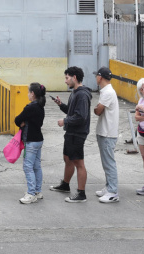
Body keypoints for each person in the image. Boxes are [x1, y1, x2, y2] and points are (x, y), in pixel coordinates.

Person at [50, 66, 92, 203]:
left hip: (78, 133)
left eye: (67, 78)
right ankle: (65, 185)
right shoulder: (75, 92)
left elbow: (81, 116)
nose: (65, 81)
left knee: (78, 162)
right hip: (71, 132)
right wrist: (61, 105)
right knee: (67, 158)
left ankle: (81, 193)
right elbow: (72, 111)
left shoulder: (82, 95)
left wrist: (65, 121)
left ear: (74, 77)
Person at [15, 82, 46, 204]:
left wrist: (23, 123)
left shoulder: (30, 107)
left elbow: (17, 119)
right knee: (36, 166)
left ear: (32, 94)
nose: (27, 94)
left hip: (31, 141)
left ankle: (31, 193)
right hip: (38, 140)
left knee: (28, 166)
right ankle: (37, 191)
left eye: (29, 92)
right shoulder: (40, 106)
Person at [93, 67, 120, 203]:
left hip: (107, 133)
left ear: (100, 77)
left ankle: (113, 191)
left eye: (96, 76)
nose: (96, 78)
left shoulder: (108, 92)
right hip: (105, 131)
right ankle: (109, 186)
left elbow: (98, 111)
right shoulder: (106, 91)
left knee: (109, 163)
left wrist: (96, 108)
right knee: (106, 162)